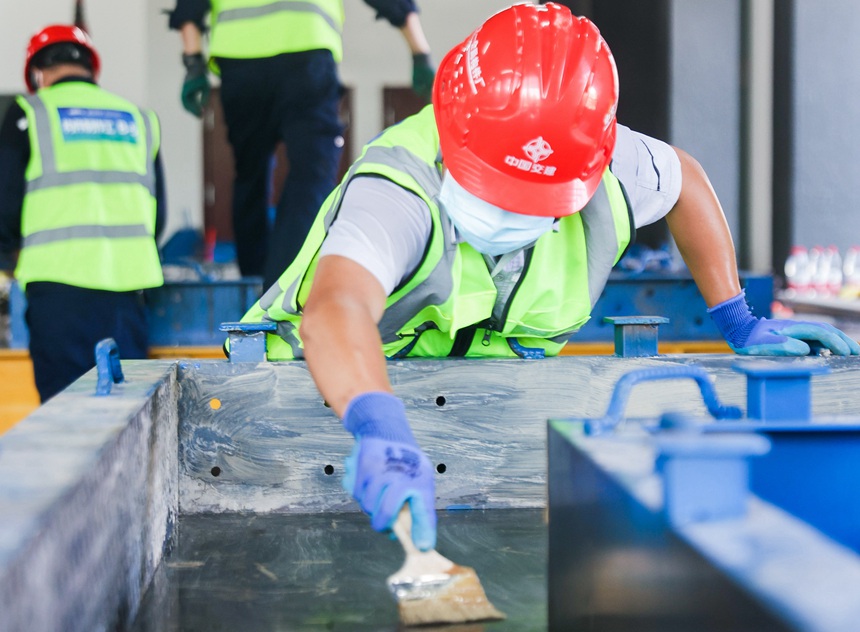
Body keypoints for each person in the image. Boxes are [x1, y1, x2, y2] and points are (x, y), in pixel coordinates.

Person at [238, 3, 860, 551]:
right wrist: (378, 426)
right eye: (494, 189)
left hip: (495, 423)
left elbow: (685, 182)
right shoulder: (397, 187)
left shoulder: (595, 151)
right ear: (454, 126)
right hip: (326, 412)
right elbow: (336, 309)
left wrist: (738, 319)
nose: (510, 212)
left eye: (536, 200)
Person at [168, 0, 435, 289]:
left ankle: (255, 281)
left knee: (250, 175)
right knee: (312, 172)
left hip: (241, 65)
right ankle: (282, 286)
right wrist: (419, 52)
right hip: (306, 55)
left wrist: (193, 63)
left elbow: (189, 7)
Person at [0, 25, 166, 403]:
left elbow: (6, 199)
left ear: (37, 73)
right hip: (128, 293)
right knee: (128, 416)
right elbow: (160, 212)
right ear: (92, 69)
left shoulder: (31, 110)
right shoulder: (138, 118)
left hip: (58, 288)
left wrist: (8, 256)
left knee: (66, 411)